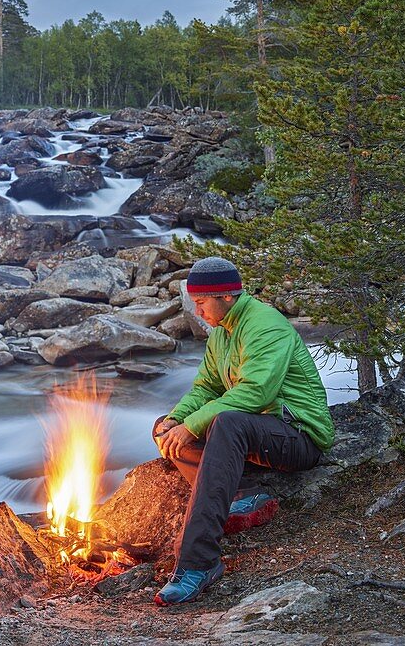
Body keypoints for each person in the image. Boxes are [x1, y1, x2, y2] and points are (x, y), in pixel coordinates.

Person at [152, 256, 334, 605]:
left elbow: (256, 392)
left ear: (226, 296)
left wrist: (193, 426)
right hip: (256, 433)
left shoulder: (265, 325)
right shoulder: (222, 333)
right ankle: (243, 496)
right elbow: (206, 388)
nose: (198, 311)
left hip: (298, 435)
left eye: (202, 303)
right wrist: (177, 419)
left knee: (225, 423)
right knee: (166, 430)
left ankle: (199, 563)